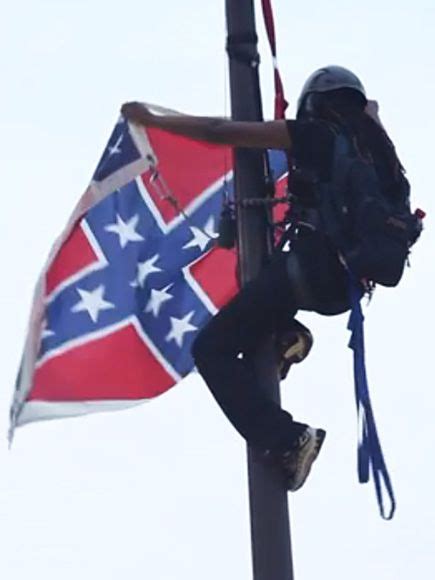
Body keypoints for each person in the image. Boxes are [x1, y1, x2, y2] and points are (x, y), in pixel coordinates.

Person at [121, 65, 408, 492]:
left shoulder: (318, 136)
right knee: (262, 297)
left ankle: (289, 439)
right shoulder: (381, 157)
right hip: (343, 285)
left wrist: (153, 119)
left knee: (212, 348)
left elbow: (221, 131)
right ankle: (288, 335)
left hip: (311, 271)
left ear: (315, 104)